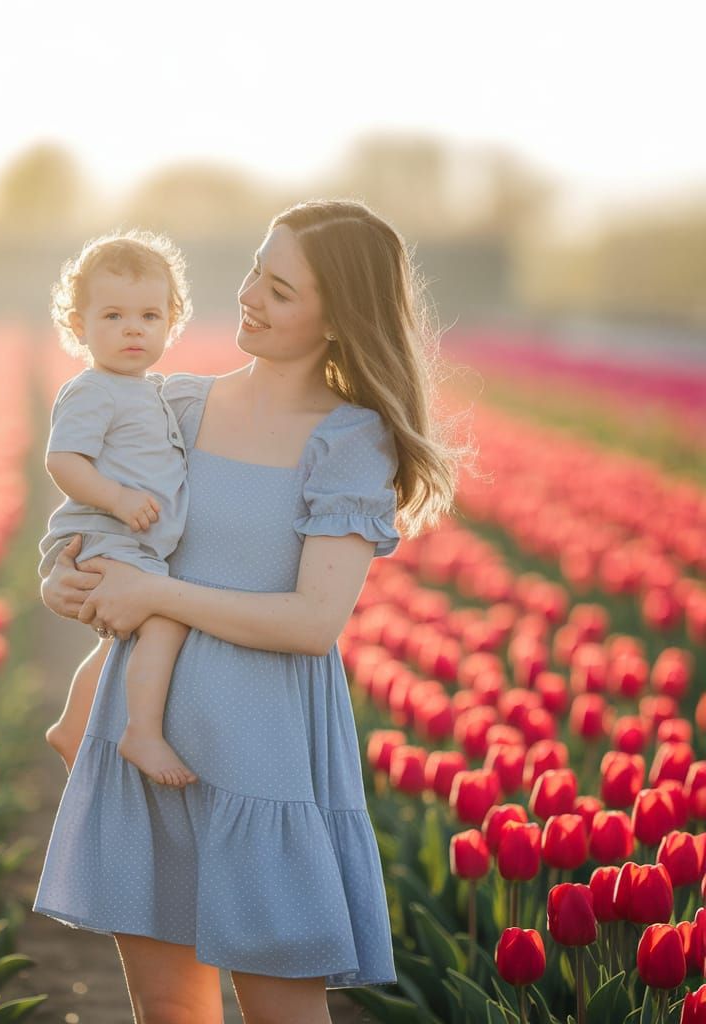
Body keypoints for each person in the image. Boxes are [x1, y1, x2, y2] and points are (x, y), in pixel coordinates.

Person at [34, 198, 473, 1024]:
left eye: (279, 289)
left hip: (263, 748)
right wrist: (67, 581)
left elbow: (312, 622)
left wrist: (156, 595)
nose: (249, 297)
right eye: (253, 273)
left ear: (339, 318)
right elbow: (112, 534)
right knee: (169, 1012)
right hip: (148, 733)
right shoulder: (178, 405)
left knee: (284, 1014)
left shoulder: (351, 442)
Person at [39, 229, 199, 788]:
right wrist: (118, 498)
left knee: (129, 637)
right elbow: (63, 461)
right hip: (103, 532)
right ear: (78, 326)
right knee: (167, 618)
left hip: (131, 539)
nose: (133, 328)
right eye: (112, 316)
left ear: (170, 323)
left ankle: (73, 723)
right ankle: (142, 732)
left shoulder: (151, 390)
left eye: (149, 316)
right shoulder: (94, 390)